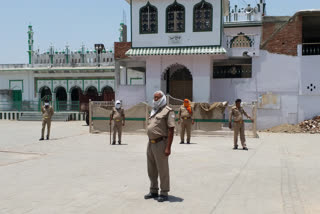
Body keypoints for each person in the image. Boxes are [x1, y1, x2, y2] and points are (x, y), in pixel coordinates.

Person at [144, 91, 175, 202]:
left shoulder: (168, 111)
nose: (155, 99)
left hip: (161, 143)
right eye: (154, 97)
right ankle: (153, 190)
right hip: (150, 143)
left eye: (157, 97)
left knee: (162, 169)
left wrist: (168, 147)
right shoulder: (154, 111)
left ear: (162, 98)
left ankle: (164, 192)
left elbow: (171, 130)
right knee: (151, 169)